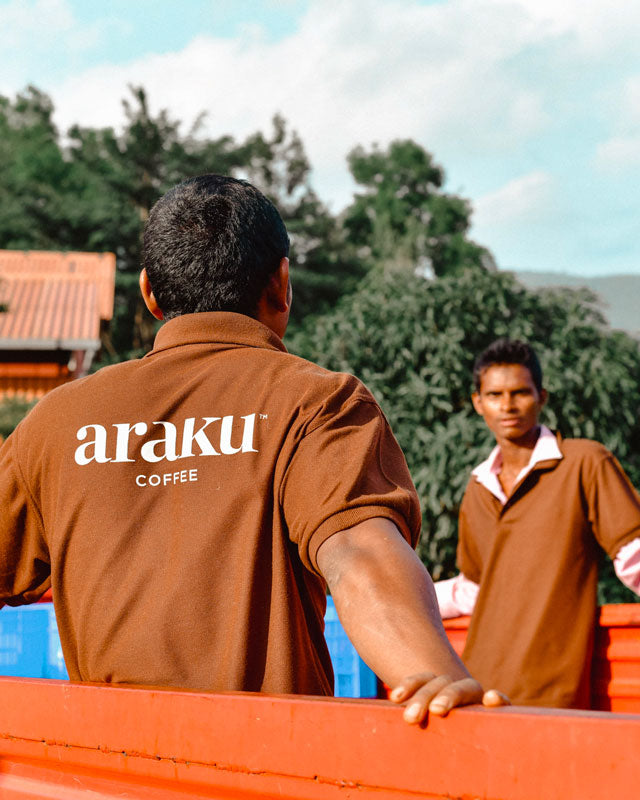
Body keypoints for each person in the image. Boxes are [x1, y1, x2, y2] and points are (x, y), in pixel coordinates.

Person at [0, 174, 505, 724]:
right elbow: (357, 551)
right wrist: (433, 676)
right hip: (267, 770)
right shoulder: (316, 402)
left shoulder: (58, 421)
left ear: (149, 292)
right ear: (282, 283)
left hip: (104, 774)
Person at [435, 338, 640, 708]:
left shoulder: (584, 463)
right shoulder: (477, 488)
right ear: (478, 403)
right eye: (495, 395)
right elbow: (473, 590)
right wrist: (399, 596)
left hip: (551, 692)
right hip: (477, 689)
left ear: (542, 397)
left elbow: (633, 557)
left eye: (520, 393)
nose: (508, 405)